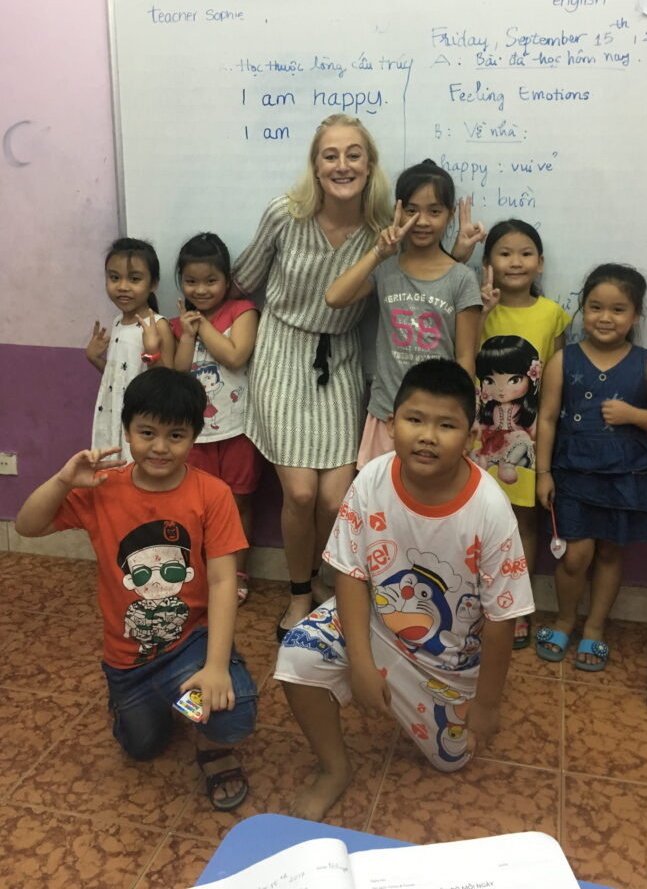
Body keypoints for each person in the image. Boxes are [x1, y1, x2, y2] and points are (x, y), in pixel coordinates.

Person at [274, 359, 534, 821]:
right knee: (296, 656)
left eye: (446, 425)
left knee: (451, 760)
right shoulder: (372, 478)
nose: (428, 436)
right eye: (415, 420)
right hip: (376, 624)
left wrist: (487, 706)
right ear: (392, 426)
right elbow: (352, 573)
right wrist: (361, 663)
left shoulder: (490, 510)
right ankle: (335, 768)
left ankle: (439, 703)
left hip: (446, 661)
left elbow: (503, 617)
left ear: (471, 437)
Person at [14, 368, 258, 811]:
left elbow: (224, 580)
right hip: (129, 658)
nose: (160, 447)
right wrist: (63, 480)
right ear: (126, 430)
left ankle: (205, 739)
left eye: (176, 435)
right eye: (147, 432)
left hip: (191, 643)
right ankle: (170, 699)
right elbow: (27, 527)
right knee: (143, 747)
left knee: (233, 712)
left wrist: (218, 665)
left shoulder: (213, 493)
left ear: (194, 437)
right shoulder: (102, 488)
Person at [231, 114, 393, 640]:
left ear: (369, 166)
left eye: (353, 154)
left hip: (342, 358)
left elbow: (415, 271)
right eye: (330, 155)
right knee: (299, 495)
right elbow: (245, 278)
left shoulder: (381, 229)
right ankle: (299, 593)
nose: (341, 165)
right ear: (315, 164)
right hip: (281, 350)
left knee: (334, 499)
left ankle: (326, 581)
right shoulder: (286, 213)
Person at [535, 264, 647, 670]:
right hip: (573, 475)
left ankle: (595, 628)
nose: (605, 317)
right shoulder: (564, 360)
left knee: (611, 556)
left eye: (618, 309)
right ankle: (565, 620)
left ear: (635, 316)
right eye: (595, 307)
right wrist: (543, 473)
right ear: (582, 309)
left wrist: (634, 414)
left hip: (624, 478)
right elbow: (546, 419)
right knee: (575, 557)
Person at [325, 159, 483, 468]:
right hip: (388, 414)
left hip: (438, 419)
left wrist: (466, 414)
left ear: (450, 215)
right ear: (398, 212)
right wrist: (378, 253)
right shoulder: (386, 269)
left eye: (434, 211)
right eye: (412, 210)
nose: (422, 221)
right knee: (383, 504)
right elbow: (334, 297)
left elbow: (465, 357)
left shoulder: (461, 278)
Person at [470, 220, 571, 649]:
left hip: (527, 442)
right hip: (475, 439)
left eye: (526, 252)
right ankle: (472, 602)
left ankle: (515, 607)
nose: (515, 261)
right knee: (473, 520)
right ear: (487, 262)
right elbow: (461, 356)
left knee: (522, 521)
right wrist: (482, 313)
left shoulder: (552, 315)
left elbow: (554, 393)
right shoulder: (474, 306)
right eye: (504, 253)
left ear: (541, 262)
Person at [171, 232, 260, 605]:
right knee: (196, 504)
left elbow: (236, 355)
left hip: (239, 428)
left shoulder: (243, 311)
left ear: (227, 279)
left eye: (211, 281)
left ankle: (237, 573)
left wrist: (202, 325)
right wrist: (188, 332)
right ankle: (202, 572)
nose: (201, 290)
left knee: (238, 502)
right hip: (196, 433)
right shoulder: (179, 324)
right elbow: (177, 371)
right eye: (191, 282)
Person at [86, 237, 175, 461]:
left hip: (143, 418)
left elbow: (169, 382)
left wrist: (152, 351)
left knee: (135, 470)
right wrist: (94, 358)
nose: (123, 286)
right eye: (114, 277)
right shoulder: (117, 322)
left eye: (134, 279)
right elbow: (119, 376)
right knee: (111, 469)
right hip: (113, 411)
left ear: (153, 283)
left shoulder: (158, 324)